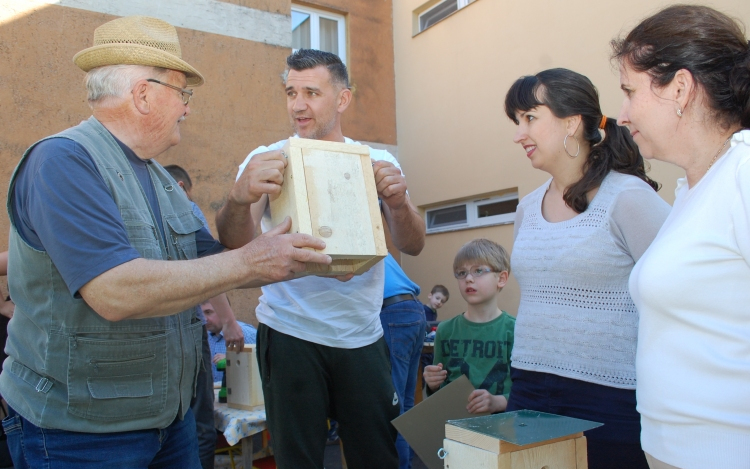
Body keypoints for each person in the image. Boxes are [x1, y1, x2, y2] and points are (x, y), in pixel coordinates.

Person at [0, 16, 330, 469]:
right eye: (182, 93)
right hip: (80, 434)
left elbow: (219, 259)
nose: (187, 109)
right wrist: (253, 262)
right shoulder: (62, 160)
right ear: (142, 94)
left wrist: (240, 203)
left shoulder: (158, 177)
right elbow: (113, 291)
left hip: (167, 423)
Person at [215, 48, 425, 469]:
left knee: (376, 458)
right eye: (291, 92)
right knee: (297, 461)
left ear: (342, 99)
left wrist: (399, 203)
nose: (298, 105)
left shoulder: (376, 160)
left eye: (311, 92)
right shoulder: (268, 157)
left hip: (362, 336)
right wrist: (239, 197)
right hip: (289, 331)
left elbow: (415, 243)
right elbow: (235, 243)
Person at [503, 68, 671, 469]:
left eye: (530, 118)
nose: (518, 134)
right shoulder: (526, 208)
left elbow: (677, 297)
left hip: (611, 398)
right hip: (528, 386)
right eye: (516, 121)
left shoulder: (629, 198)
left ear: (573, 122)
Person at [611, 6, 750, 469]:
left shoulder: (743, 173)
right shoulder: (693, 189)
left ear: (681, 88)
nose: (623, 113)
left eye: (630, 91)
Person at [164, 163, 244, 469]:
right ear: (182, 188)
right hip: (185, 328)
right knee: (199, 425)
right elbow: (211, 270)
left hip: (158, 331)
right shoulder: (183, 206)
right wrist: (230, 321)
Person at [423, 239, 514, 413]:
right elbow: (439, 393)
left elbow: (528, 392)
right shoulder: (446, 330)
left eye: (478, 271)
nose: (469, 279)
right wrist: (432, 383)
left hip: (503, 430)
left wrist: (498, 402)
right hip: (456, 430)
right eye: (462, 273)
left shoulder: (515, 331)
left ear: (501, 279)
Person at [381, 253, 427, 469]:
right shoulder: (373, 241)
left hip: (391, 310)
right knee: (406, 403)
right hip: (414, 309)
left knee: (394, 406)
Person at [202, 299, 257, 382]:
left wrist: (232, 360)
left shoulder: (246, 334)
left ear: (223, 312)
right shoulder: (202, 337)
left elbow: (261, 365)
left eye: (208, 312)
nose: (204, 319)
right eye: (201, 314)